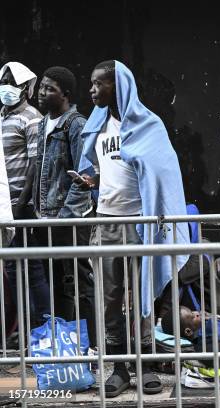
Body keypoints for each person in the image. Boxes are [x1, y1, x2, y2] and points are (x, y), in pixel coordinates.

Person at [76, 60, 190, 397]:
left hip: (140, 223)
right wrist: (90, 181)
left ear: (119, 86)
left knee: (144, 295)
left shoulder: (148, 125)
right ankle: (119, 368)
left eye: (99, 84)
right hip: (106, 221)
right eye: (91, 84)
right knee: (110, 299)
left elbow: (164, 174)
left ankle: (147, 364)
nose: (92, 90)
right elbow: (102, 170)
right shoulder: (96, 127)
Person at [33, 66, 96, 344]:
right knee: (57, 283)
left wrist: (64, 218)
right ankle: (66, 344)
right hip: (45, 217)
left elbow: (83, 176)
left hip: (68, 220)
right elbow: (40, 170)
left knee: (80, 282)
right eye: (42, 86)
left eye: (50, 89)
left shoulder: (75, 124)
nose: (42, 93)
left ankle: (91, 344)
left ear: (66, 95)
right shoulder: (43, 124)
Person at [0, 62, 49, 329]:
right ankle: (25, 332)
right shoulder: (2, 117)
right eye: (3, 82)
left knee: (32, 270)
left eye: (12, 83)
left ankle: (41, 330)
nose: (6, 88)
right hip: (4, 206)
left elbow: (35, 163)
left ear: (25, 89)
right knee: (11, 270)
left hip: (22, 206)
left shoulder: (32, 117)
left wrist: (21, 204)